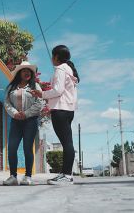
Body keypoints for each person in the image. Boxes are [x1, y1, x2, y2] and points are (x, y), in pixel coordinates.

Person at [30, 45, 79, 185]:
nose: (51, 59)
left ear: (57, 56)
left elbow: (57, 90)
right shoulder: (69, 69)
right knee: (67, 142)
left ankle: (67, 176)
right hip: (68, 110)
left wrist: (42, 94)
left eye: (53, 56)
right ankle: (65, 174)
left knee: (67, 143)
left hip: (60, 109)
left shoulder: (60, 69)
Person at [3, 61, 43, 186]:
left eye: (29, 71)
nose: (27, 73)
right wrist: (15, 113)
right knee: (12, 148)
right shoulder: (11, 87)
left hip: (30, 121)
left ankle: (28, 176)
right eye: (24, 71)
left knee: (27, 148)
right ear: (19, 73)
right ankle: (13, 176)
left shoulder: (35, 86)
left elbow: (40, 103)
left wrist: (26, 114)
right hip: (15, 121)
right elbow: (6, 103)